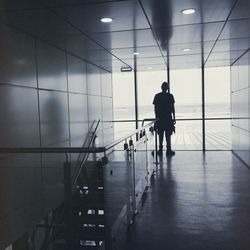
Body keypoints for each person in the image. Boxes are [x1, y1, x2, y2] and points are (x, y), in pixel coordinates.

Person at [153, 81, 176, 156]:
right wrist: (174, 118)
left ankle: (160, 149)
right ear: (167, 88)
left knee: (160, 134)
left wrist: (156, 118)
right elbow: (172, 108)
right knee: (168, 134)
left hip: (160, 118)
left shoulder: (157, 96)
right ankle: (168, 149)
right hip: (168, 118)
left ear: (161, 87)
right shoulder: (170, 96)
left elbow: (155, 108)